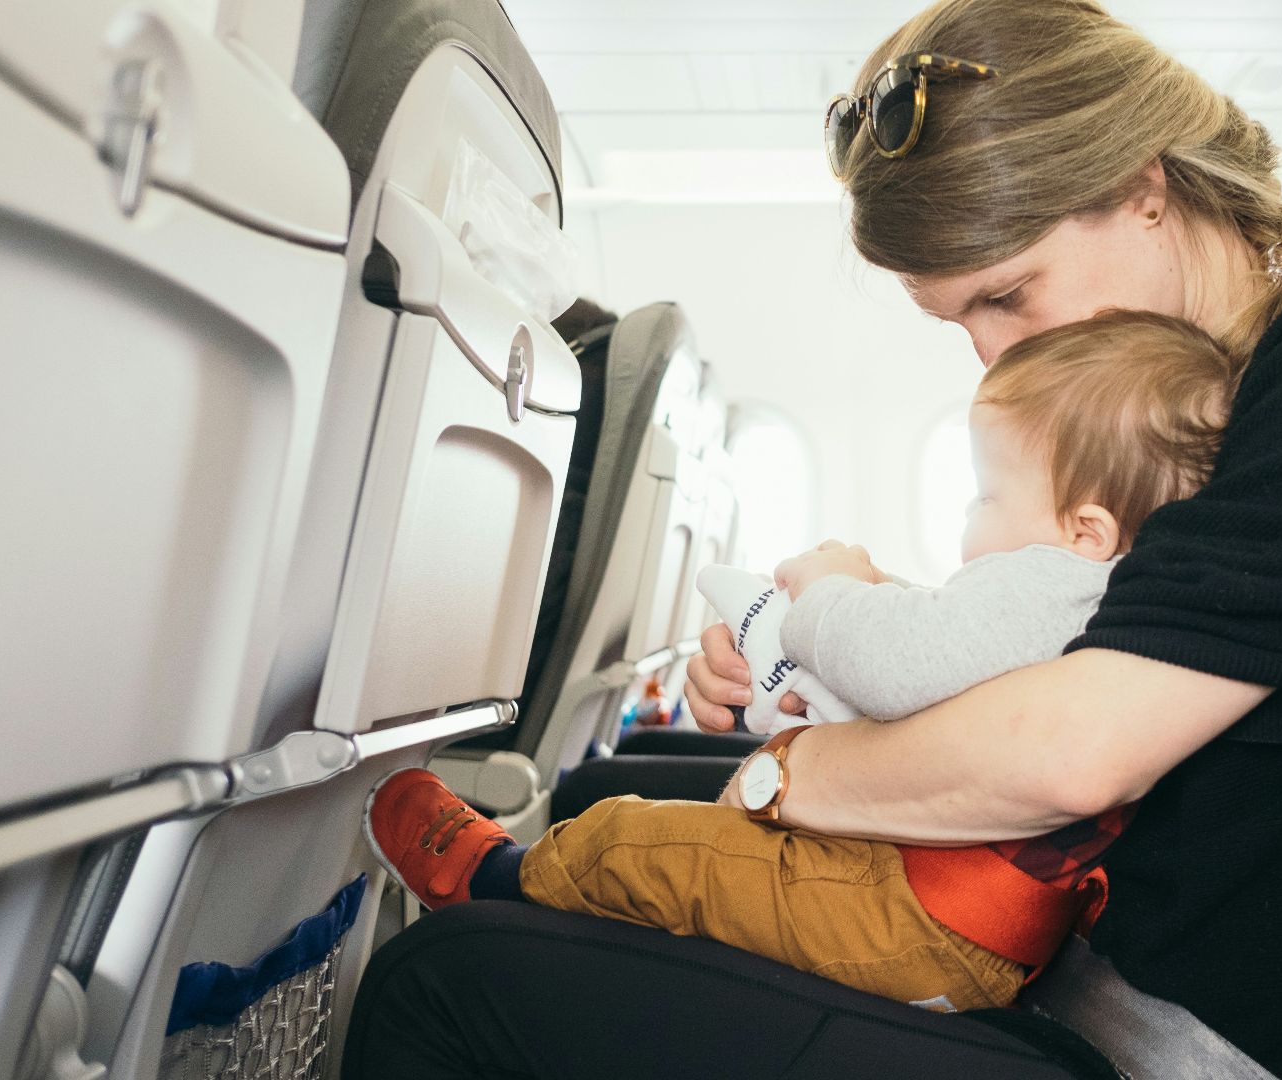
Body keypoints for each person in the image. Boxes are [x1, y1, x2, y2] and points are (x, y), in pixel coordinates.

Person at [344, 2, 1282, 1077]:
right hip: (1049, 968)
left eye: (1007, 293)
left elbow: (1073, 755)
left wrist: (796, 777)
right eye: (958, 319)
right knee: (604, 800)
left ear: (1146, 190)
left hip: (1168, 1041)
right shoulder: (1189, 392)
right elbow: (1089, 636)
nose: (994, 350)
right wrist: (819, 670)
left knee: (447, 987)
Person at [364, 310, 1236, 1013]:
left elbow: (902, 663)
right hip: (955, 920)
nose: (973, 520)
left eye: (986, 494)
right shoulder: (1105, 592)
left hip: (917, 913)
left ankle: (494, 882)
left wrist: (828, 590)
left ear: (1086, 528)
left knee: (642, 840)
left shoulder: (1055, 580)